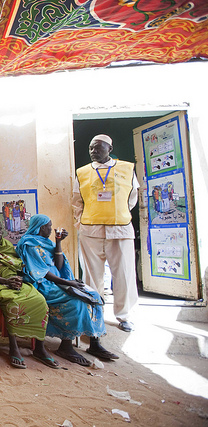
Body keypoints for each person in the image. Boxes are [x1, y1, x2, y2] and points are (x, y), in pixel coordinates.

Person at [16, 214, 118, 366]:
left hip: (58, 281)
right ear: (40, 227)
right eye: (48, 226)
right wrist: (66, 282)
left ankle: (95, 344)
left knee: (94, 296)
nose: (51, 229)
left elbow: (58, 266)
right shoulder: (28, 244)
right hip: (43, 284)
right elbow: (40, 272)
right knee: (75, 302)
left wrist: (58, 243)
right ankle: (66, 346)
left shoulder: (46, 242)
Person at [73, 134, 139, 332]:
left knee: (124, 274)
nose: (94, 151)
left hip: (120, 229)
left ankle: (124, 315)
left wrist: (119, 213)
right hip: (90, 229)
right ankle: (95, 313)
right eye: (91, 148)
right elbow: (77, 200)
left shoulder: (126, 169)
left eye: (99, 148)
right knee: (92, 276)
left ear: (110, 149)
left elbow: (132, 197)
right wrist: (80, 220)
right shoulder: (83, 172)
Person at [0, 217, 58, 369]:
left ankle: (39, 347)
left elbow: (18, 265)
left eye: (0, 229)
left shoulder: (7, 245)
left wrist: (17, 279)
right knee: (13, 303)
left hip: (16, 281)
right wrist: (6, 281)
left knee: (40, 301)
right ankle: (13, 346)